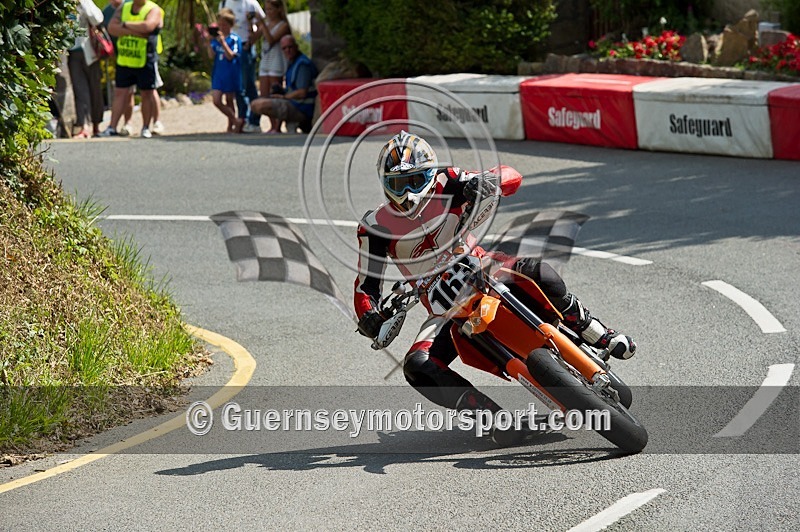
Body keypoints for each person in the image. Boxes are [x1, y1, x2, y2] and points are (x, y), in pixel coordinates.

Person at [354, 131, 637, 442]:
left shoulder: (449, 180)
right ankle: (492, 419)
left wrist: (487, 182)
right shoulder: (375, 228)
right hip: (442, 308)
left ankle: (596, 332)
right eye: (396, 185)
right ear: (384, 185)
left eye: (415, 180)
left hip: (486, 267)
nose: (406, 193)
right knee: (417, 365)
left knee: (538, 271)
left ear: (431, 174)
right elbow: (365, 286)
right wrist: (368, 315)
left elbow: (510, 175)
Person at [100, 0, 163, 138]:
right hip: (125, 58)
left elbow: (148, 26)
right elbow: (111, 27)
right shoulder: (125, 7)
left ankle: (146, 126)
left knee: (147, 93)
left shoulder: (153, 9)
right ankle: (112, 127)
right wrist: (137, 31)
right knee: (120, 93)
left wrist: (124, 25)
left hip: (145, 59)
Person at [250, 35, 317, 133]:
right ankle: (277, 128)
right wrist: (281, 91)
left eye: (290, 47)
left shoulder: (302, 65)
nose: (288, 50)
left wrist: (284, 97)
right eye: (284, 48)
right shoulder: (292, 63)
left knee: (259, 105)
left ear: (296, 47)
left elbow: (302, 92)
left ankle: (295, 122)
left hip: (303, 107)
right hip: (294, 103)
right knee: (256, 103)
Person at [219, 0, 265, 133]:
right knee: (237, 87)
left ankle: (254, 121)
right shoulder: (224, 3)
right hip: (229, 47)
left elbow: (263, 23)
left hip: (245, 47)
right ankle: (242, 119)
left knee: (248, 85)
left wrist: (252, 40)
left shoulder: (250, 3)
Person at [252, 0, 291, 134]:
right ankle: (272, 125)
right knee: (264, 94)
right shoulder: (266, 24)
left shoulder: (283, 25)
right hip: (265, 60)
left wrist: (263, 24)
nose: (268, 12)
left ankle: (278, 126)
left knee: (275, 93)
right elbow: (253, 39)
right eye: (266, 10)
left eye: (270, 10)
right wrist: (251, 24)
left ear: (278, 10)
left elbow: (271, 39)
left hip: (276, 60)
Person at [68, 0, 105, 138]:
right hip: (72, 53)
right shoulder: (63, 6)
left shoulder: (85, 3)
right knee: (80, 90)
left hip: (90, 52)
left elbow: (97, 18)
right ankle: (84, 126)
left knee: (95, 89)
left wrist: (83, 2)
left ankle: (96, 125)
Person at [204, 9, 243, 133]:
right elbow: (211, 55)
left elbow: (231, 55)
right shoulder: (215, 39)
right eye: (220, 25)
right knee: (216, 100)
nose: (222, 27)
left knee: (229, 99)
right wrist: (209, 41)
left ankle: (231, 125)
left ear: (230, 25)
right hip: (219, 72)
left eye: (224, 25)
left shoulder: (234, 39)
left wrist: (223, 43)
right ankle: (235, 119)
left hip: (230, 72)